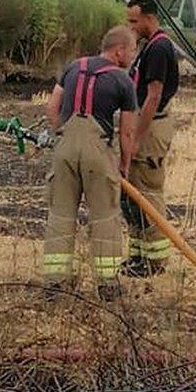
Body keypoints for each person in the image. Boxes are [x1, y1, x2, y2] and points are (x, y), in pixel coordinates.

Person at [43, 26, 138, 301]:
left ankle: (55, 283)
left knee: (60, 216)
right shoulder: (123, 81)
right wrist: (124, 166)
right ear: (119, 50)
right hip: (98, 152)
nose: (132, 56)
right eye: (132, 51)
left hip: (65, 148)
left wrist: (63, 135)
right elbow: (127, 131)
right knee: (105, 218)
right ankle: (107, 285)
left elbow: (52, 108)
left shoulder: (74, 66)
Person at [121, 0, 179, 278]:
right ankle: (137, 256)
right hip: (144, 125)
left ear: (149, 18)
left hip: (152, 128)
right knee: (133, 193)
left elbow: (153, 96)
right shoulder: (148, 48)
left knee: (148, 193)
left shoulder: (159, 48)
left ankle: (155, 262)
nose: (130, 27)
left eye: (134, 21)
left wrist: (135, 138)